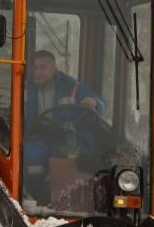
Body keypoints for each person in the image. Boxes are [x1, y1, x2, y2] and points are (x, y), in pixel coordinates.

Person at [23, 50, 105, 206]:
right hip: (38, 138)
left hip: (66, 138)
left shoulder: (72, 87)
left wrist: (94, 103)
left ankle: (62, 202)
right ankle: (28, 197)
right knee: (24, 154)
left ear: (54, 67)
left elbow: (99, 102)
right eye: (34, 68)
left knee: (66, 157)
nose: (38, 72)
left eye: (43, 67)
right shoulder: (26, 89)